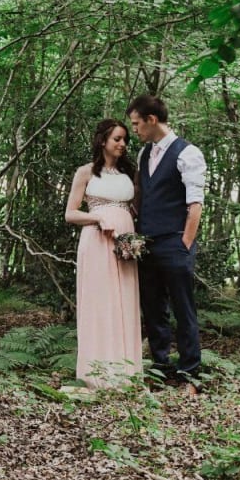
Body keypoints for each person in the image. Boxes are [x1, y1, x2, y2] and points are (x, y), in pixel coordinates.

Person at [126, 95, 206, 394]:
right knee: (154, 309)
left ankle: (190, 376)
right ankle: (161, 370)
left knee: (184, 311)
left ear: (152, 120)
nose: (134, 130)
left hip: (174, 243)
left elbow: (195, 204)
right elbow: (141, 197)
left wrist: (185, 243)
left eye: (137, 124)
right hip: (146, 244)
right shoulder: (144, 154)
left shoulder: (188, 153)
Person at [65, 119, 142, 389]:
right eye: (117, 139)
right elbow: (70, 213)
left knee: (124, 301)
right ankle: (95, 373)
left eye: (125, 140)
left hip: (125, 245)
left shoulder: (129, 173)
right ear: (102, 141)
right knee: (100, 302)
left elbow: (135, 209)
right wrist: (97, 218)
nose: (122, 144)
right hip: (96, 242)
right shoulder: (85, 172)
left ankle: (126, 372)